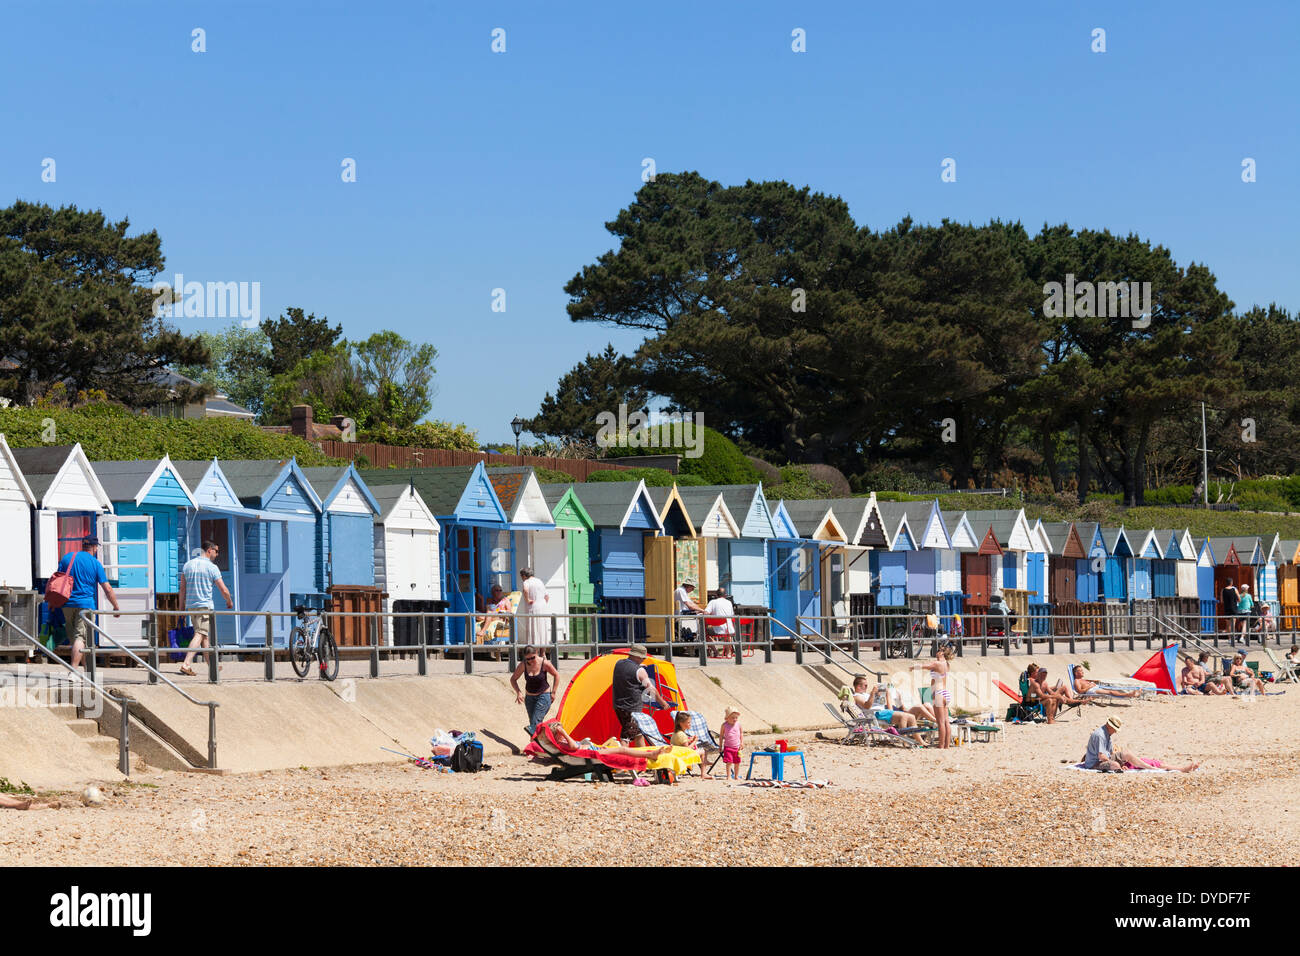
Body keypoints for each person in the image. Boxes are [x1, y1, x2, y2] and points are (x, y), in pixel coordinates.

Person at [52, 535, 121, 673]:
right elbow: (107, 588)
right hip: (85, 605)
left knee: (77, 640)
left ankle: (88, 671)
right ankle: (73, 671)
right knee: (81, 638)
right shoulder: (95, 563)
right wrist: (115, 606)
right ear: (95, 547)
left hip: (66, 604)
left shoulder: (67, 558)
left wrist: (52, 602)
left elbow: (56, 581)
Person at [177, 540, 234, 676]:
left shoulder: (187, 565)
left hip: (191, 606)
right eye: (216, 551)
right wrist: (229, 601)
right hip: (204, 606)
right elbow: (224, 590)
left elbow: (182, 590)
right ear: (209, 550)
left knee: (204, 636)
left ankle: (211, 665)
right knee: (201, 633)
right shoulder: (211, 567)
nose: (217, 554)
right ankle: (186, 664)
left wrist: (181, 609)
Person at [1082, 716, 1199, 772]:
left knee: (1152, 762)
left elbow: (1111, 752)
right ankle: (1181, 768)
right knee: (1117, 766)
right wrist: (1117, 762)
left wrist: (1120, 760)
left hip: (1127, 762)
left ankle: (1180, 768)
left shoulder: (1107, 734)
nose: (1116, 731)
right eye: (1115, 729)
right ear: (1110, 726)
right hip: (1096, 763)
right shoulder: (1100, 735)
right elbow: (1102, 757)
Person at [611, 644, 666, 746]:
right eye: (642, 658)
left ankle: (642, 759)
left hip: (618, 706)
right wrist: (663, 703)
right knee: (626, 736)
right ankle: (625, 759)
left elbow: (628, 670)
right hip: (631, 709)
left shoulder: (618, 664)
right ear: (637, 656)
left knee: (638, 733)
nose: (643, 660)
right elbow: (650, 689)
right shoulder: (640, 671)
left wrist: (638, 667)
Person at [850, 675, 924, 735]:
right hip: (877, 714)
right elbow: (867, 706)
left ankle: (920, 741)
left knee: (911, 717)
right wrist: (872, 693)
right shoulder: (857, 696)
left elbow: (872, 701)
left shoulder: (864, 694)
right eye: (865, 685)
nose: (867, 687)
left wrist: (878, 694)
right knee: (904, 716)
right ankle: (904, 741)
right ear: (859, 686)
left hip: (882, 711)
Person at [510, 644, 560, 735]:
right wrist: (519, 692)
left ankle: (534, 746)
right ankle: (538, 745)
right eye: (527, 659)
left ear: (536, 653)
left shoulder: (544, 663)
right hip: (529, 698)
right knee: (533, 724)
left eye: (532, 658)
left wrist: (553, 692)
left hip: (543, 696)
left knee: (535, 724)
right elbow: (513, 679)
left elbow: (556, 675)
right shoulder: (523, 665)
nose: (530, 661)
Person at [912, 646, 954, 748]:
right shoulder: (947, 664)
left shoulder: (937, 664)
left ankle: (941, 745)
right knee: (946, 722)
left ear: (942, 653)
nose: (937, 651)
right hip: (946, 693)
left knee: (940, 723)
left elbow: (924, 666)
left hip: (938, 693)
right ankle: (946, 745)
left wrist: (912, 667)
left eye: (939, 650)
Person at [671, 710, 710, 779]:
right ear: (681, 723)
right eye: (688, 722)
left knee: (700, 750)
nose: (690, 724)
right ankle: (703, 773)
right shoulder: (682, 735)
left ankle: (705, 762)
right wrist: (694, 741)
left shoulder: (676, 733)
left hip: (677, 754)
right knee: (703, 751)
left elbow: (681, 744)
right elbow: (687, 749)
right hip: (682, 756)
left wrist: (689, 740)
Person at [1071, 664, 1141, 699]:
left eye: (1082, 670)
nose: (1082, 672)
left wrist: (1092, 682)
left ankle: (1132, 694)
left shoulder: (1083, 679)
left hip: (1094, 688)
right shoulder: (1077, 681)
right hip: (1091, 691)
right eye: (1080, 670)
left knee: (1111, 689)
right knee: (1110, 692)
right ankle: (1129, 695)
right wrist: (1090, 686)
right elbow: (1080, 692)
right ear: (1076, 673)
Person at [703, 588, 736, 657]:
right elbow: (732, 615)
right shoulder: (729, 602)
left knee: (704, 633)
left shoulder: (712, 602)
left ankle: (716, 652)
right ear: (725, 595)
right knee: (727, 634)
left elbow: (705, 613)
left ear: (716, 595)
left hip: (717, 629)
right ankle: (728, 653)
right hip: (729, 629)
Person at [719, 707, 743, 780]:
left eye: (736, 717)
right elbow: (721, 736)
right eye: (733, 718)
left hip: (737, 747)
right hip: (728, 747)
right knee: (729, 762)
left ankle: (736, 776)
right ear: (727, 718)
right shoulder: (724, 725)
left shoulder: (738, 724)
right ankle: (728, 776)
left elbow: (741, 734)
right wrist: (720, 745)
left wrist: (741, 743)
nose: (735, 719)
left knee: (737, 763)